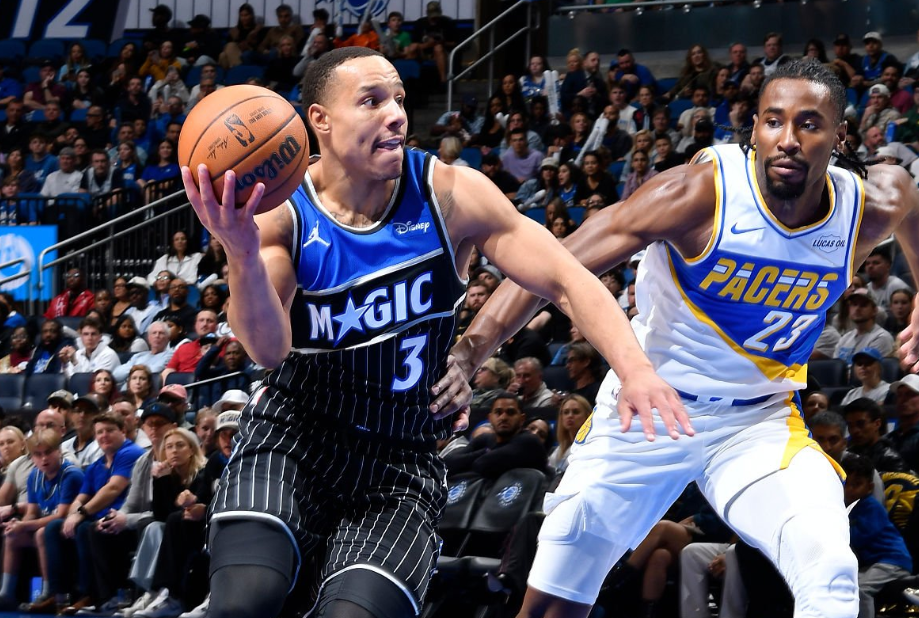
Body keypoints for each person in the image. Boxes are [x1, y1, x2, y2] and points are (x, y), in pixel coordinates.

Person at [181, 47, 658, 618]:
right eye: (371, 101)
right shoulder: (284, 212)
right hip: (294, 437)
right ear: (319, 120)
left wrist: (634, 369)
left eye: (400, 99)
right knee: (247, 600)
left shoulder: (449, 192)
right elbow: (266, 348)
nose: (396, 115)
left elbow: (564, 277)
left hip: (401, 457)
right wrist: (240, 253)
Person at [454, 58, 919, 618]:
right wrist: (467, 355)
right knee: (555, 602)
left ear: (839, 135)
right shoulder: (698, 194)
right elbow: (552, 264)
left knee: (832, 573)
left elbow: (909, 201)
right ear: (754, 129)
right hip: (650, 409)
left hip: (759, 422)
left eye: (809, 124)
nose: (788, 139)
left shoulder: (869, 204)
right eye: (774, 121)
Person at [0, 430, 83, 611]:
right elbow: (32, 512)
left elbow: (61, 515)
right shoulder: (34, 476)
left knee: (41, 533)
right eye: (38, 454)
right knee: (12, 535)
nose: (44, 458)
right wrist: (18, 526)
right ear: (32, 457)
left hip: (69, 528)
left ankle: (48, 593)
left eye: (48, 452)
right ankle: (6, 594)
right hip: (46, 525)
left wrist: (25, 525)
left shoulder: (71, 474)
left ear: (59, 451)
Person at [843, 455, 913, 618]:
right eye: (846, 484)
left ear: (869, 487)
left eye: (857, 484)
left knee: (861, 590)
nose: (850, 489)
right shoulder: (850, 507)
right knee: (844, 584)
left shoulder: (871, 507)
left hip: (891, 561)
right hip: (875, 563)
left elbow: (859, 537)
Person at [441, 392, 548, 479]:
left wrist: (478, 456)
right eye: (498, 412)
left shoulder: (529, 441)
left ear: (522, 419)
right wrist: (484, 452)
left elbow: (483, 464)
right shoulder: (485, 439)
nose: (503, 418)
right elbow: (446, 464)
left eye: (510, 412)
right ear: (490, 418)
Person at [834, 288, 896, 362]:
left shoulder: (881, 338)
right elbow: (835, 365)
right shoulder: (845, 338)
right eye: (854, 304)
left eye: (863, 305)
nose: (857, 308)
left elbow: (869, 367)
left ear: (874, 310)